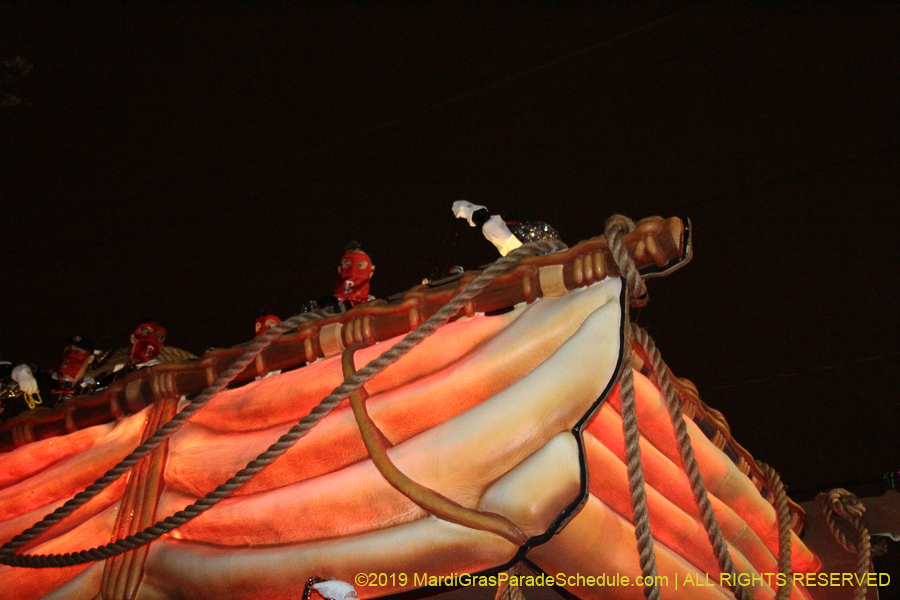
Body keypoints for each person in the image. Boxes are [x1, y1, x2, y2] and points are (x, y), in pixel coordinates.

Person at [452, 200, 563, 256]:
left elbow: (507, 241)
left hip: (539, 251)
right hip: (549, 247)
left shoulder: (492, 226)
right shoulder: (496, 224)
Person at [333, 242, 375, 307]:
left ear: (371, 272)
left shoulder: (380, 308)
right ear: (340, 269)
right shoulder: (323, 308)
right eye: (347, 265)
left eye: (360, 265)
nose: (353, 270)